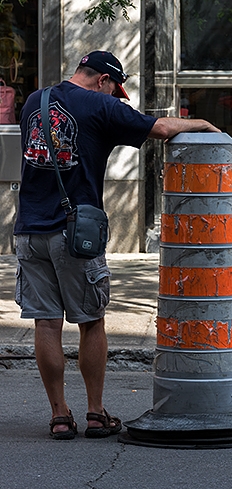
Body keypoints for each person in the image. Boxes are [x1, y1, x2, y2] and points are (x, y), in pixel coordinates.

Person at [14, 50, 220, 440]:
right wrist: (203, 123)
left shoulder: (33, 101)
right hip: (75, 232)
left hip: (29, 230)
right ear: (104, 81)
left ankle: (59, 415)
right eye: (115, 90)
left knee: (45, 323)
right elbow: (159, 127)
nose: (115, 98)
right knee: (91, 321)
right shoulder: (100, 106)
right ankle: (95, 412)